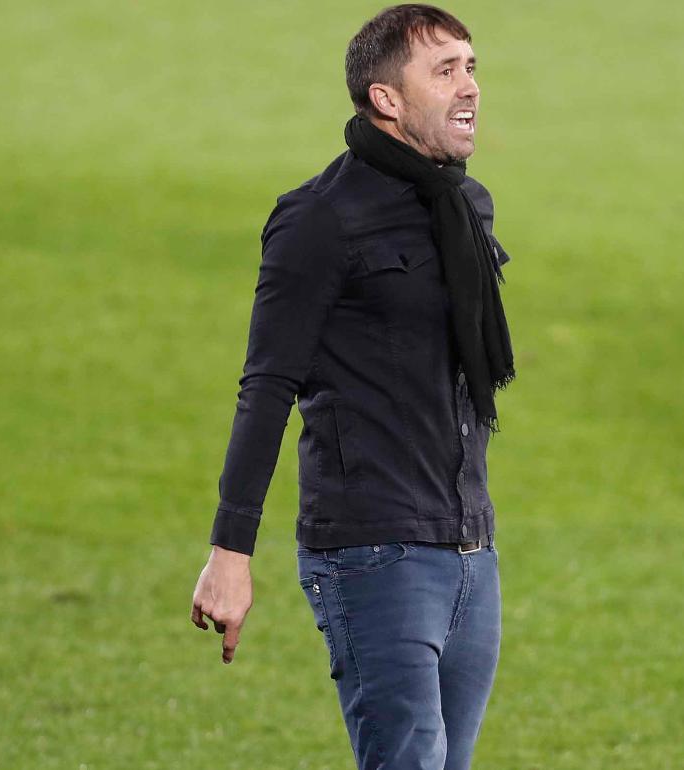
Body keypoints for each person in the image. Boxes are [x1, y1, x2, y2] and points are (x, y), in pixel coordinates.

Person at [190, 6, 515, 768]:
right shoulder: (319, 220)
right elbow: (267, 385)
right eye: (445, 70)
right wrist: (229, 552)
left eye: (471, 66)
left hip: (471, 548)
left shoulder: (465, 207)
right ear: (386, 99)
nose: (469, 86)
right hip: (373, 553)